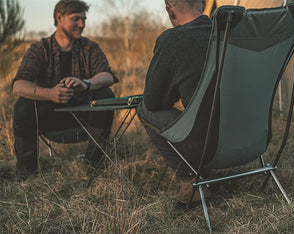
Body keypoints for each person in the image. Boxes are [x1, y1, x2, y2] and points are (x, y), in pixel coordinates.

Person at [12, 0, 118, 178]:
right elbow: (18, 85)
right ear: (59, 18)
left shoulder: (89, 47)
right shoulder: (40, 49)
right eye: (76, 19)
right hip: (49, 116)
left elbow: (108, 76)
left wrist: (86, 83)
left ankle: (94, 168)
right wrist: (50, 94)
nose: (81, 24)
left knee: (106, 94)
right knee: (23, 106)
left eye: (84, 19)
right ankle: (27, 174)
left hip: (83, 115)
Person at [137, 0, 212, 204]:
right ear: (204, 3)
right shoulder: (233, 33)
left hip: (209, 146)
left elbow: (152, 101)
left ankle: (191, 181)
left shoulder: (172, 39)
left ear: (170, 10)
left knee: (145, 109)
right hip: (250, 139)